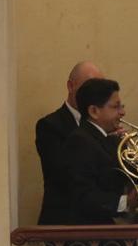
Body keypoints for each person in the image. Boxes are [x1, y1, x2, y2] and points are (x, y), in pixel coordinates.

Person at [44, 77, 138, 246]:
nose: (122, 112)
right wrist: (125, 202)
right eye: (116, 106)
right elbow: (83, 195)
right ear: (94, 111)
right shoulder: (80, 141)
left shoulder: (104, 139)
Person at [36, 60, 104, 226]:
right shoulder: (49, 125)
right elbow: (63, 173)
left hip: (102, 224)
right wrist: (100, 138)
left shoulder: (104, 127)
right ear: (70, 86)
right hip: (64, 223)